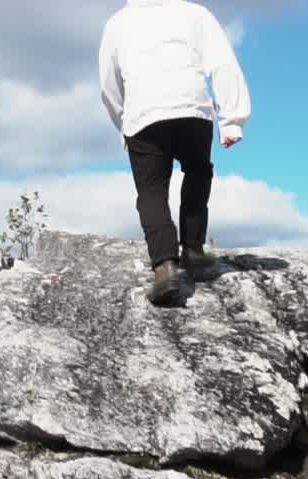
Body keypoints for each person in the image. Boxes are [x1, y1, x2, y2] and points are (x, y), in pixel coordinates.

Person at [98, 0, 251, 306]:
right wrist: (232, 119)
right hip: (191, 106)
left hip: (143, 113)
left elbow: (109, 84)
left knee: (151, 190)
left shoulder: (117, 23)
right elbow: (222, 63)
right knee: (197, 170)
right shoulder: (194, 13)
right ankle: (193, 251)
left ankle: (165, 268)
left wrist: (123, 121)